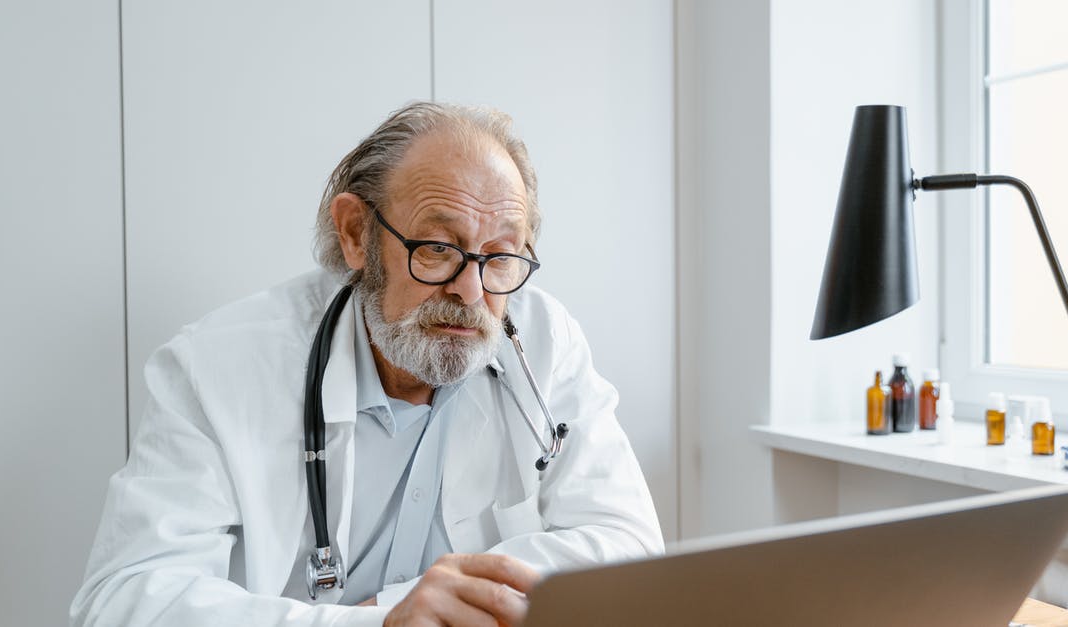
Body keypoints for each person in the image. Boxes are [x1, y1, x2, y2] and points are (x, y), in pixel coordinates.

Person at [71, 102, 664, 627]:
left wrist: (426, 603)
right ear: (356, 234)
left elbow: (630, 547)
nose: (471, 289)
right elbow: (124, 602)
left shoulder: (542, 339)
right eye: (437, 248)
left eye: (501, 255)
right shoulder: (218, 366)